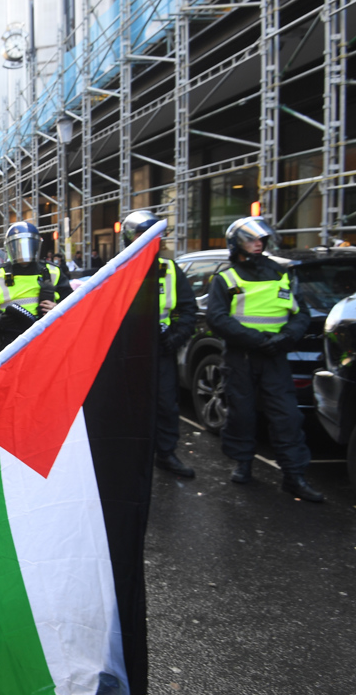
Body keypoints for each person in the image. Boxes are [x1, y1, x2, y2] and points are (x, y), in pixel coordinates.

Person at [206, 216, 323, 502]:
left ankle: (294, 475)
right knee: (241, 414)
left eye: (260, 239)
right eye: (251, 239)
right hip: (242, 356)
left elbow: (301, 314)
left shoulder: (282, 274)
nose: (258, 244)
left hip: (275, 356)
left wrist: (285, 338)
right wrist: (256, 340)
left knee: (287, 416)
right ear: (237, 244)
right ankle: (242, 463)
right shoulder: (226, 278)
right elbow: (217, 318)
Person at [121, 211, 198, 478]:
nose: (151, 240)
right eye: (144, 235)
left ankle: (166, 454)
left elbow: (188, 310)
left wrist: (175, 338)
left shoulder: (170, 270)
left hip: (162, 349)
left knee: (166, 405)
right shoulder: (116, 270)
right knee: (128, 406)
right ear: (130, 238)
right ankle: (129, 457)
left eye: (156, 235)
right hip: (128, 352)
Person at [0, 221, 71, 358]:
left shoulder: (53, 271)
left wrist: (58, 309)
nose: (23, 250)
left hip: (47, 337)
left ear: (36, 245)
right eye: (18, 245)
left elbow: (73, 303)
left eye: (28, 244)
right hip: (9, 338)